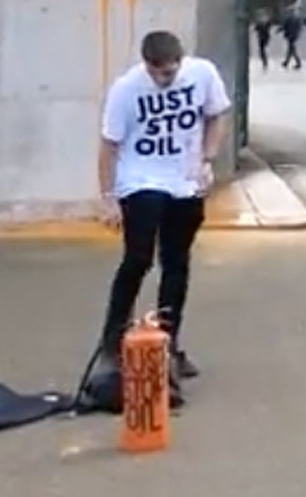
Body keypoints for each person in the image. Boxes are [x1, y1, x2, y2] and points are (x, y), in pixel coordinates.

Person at [95, 29, 233, 382]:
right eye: (160, 74)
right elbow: (109, 147)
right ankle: (111, 343)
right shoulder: (126, 90)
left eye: (171, 72)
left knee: (176, 264)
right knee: (138, 259)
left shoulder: (202, 74)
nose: (166, 80)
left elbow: (216, 116)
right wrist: (109, 198)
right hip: (140, 180)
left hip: (185, 182)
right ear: (147, 66)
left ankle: (167, 342)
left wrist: (207, 159)